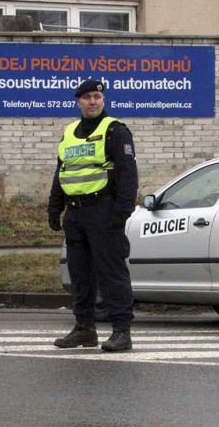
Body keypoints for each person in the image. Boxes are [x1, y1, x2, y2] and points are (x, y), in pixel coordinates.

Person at [48, 78, 138, 352]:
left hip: (104, 211)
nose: (93, 101)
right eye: (87, 97)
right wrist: (55, 206)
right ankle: (84, 329)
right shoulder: (69, 132)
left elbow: (128, 174)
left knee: (112, 273)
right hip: (75, 214)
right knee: (80, 274)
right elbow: (62, 171)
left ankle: (121, 331)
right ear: (79, 102)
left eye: (97, 97)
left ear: (103, 100)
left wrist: (121, 212)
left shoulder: (115, 130)